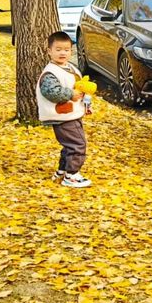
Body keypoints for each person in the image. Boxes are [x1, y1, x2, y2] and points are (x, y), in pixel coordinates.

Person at [36, 31, 92, 188]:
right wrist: (70, 94)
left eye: (66, 50)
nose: (63, 53)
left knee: (70, 145)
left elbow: (76, 84)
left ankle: (62, 171)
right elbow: (51, 92)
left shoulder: (69, 67)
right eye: (58, 49)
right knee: (77, 144)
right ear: (49, 51)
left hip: (71, 114)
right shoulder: (50, 73)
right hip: (62, 116)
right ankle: (72, 175)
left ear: (71, 51)